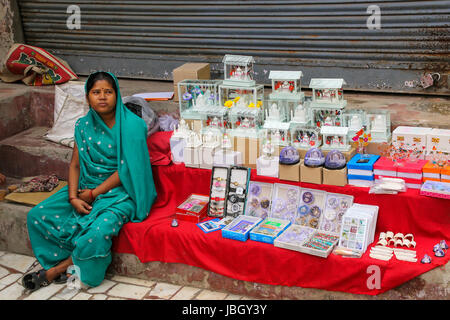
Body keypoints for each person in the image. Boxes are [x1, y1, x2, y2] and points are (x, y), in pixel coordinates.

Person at [22, 71, 157, 291]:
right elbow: (75, 164)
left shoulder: (132, 126)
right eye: (96, 92)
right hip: (86, 185)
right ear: (88, 97)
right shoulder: (83, 125)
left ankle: (56, 270)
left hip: (121, 192)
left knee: (94, 236)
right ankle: (67, 260)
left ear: (117, 94)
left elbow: (128, 170)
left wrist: (94, 194)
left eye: (108, 92)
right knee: (37, 215)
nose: (102, 97)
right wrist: (73, 197)